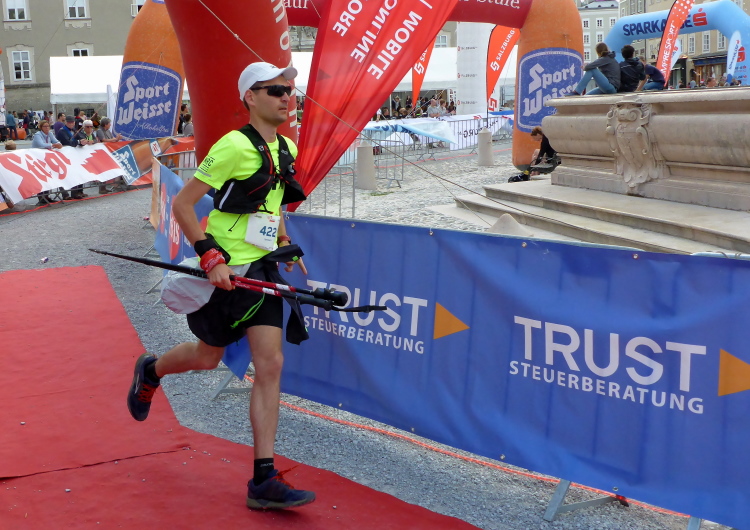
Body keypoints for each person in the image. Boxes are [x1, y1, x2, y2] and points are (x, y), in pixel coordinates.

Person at [126, 61, 315, 511]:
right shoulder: (232, 146)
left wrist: (283, 242)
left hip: (260, 272)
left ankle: (263, 479)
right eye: (274, 90)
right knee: (207, 357)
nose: (286, 97)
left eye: (289, 90)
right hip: (224, 274)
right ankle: (151, 370)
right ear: (250, 96)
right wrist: (210, 256)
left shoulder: (286, 147)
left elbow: (271, 205)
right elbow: (184, 204)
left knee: (270, 364)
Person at [31, 121, 64, 205]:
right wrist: (53, 145)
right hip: (37, 158)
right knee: (41, 177)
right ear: (41, 127)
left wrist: (58, 144)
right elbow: (41, 144)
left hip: (46, 158)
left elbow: (56, 141)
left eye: (48, 126)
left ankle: (47, 195)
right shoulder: (38, 135)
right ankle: (41, 197)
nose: (47, 128)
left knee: (48, 175)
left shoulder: (50, 134)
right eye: (45, 126)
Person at [95, 117, 125, 193]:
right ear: (105, 124)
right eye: (109, 123)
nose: (110, 125)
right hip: (102, 152)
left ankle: (104, 187)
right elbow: (104, 140)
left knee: (106, 170)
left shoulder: (108, 131)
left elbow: (112, 139)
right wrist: (115, 139)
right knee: (103, 170)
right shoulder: (99, 130)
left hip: (108, 152)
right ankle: (102, 188)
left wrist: (117, 139)